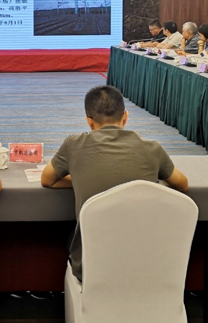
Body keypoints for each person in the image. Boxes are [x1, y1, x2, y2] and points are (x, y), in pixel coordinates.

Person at [41, 85, 189, 282]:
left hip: (93, 265)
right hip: (149, 262)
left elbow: (47, 180)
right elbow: (182, 184)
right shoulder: (152, 148)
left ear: (89, 122)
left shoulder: (74, 145)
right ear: (125, 117)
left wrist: (81, 178)